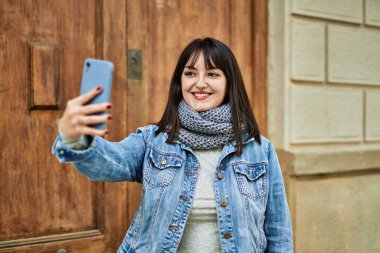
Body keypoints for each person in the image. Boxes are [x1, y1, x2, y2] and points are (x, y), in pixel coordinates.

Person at [52, 37, 293, 253]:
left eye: (212, 74)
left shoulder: (259, 149)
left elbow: (278, 231)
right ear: (180, 81)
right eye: (190, 73)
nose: (200, 83)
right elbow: (108, 164)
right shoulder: (153, 141)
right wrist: (75, 137)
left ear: (230, 83)